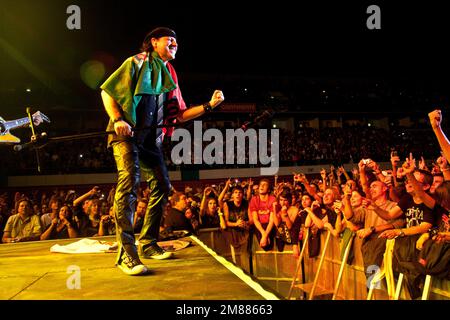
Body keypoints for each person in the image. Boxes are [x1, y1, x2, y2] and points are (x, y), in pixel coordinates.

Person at [100, 26, 225, 275]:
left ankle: (147, 243)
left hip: (150, 139)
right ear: (154, 42)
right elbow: (107, 90)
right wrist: (117, 119)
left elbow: (179, 115)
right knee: (129, 181)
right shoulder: (136, 63)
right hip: (126, 134)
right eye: (170, 40)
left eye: (177, 42)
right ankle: (127, 253)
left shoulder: (169, 74)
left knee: (162, 185)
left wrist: (209, 106)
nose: (175, 44)